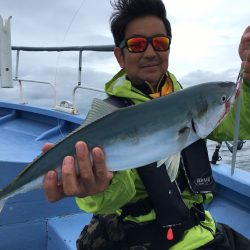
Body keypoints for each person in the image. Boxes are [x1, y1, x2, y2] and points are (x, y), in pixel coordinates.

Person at [43, 0, 250, 249]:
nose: (151, 53)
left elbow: (240, 125)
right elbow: (117, 193)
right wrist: (99, 187)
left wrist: (247, 82)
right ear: (120, 55)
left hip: (202, 227)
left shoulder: (192, 102)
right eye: (137, 45)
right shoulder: (113, 115)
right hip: (148, 241)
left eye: (160, 43)